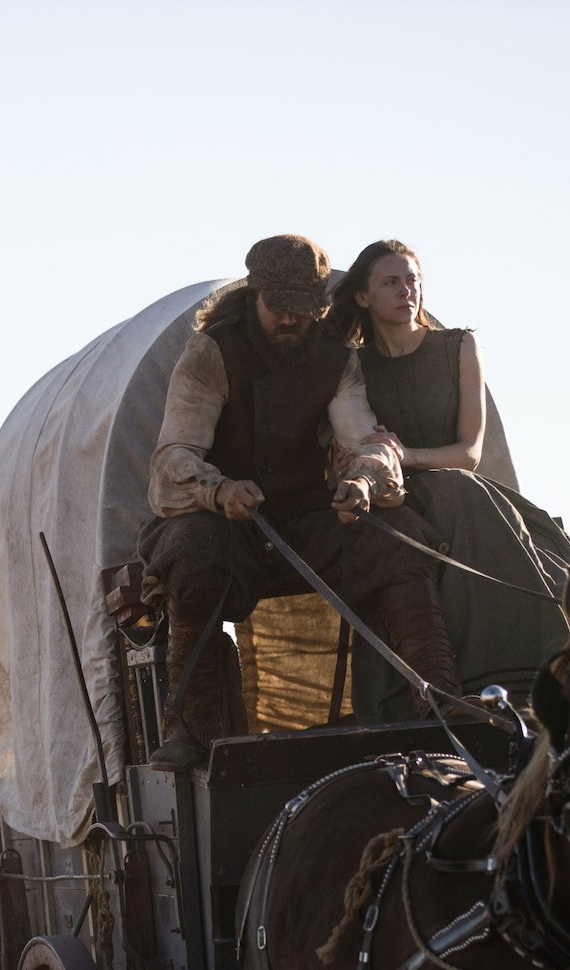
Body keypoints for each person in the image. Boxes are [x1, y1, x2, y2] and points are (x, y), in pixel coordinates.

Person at [138, 233, 458, 768]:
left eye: (303, 311)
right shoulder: (211, 352)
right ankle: (190, 729)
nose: (292, 321)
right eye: (280, 309)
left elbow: (363, 441)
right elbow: (174, 455)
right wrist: (219, 490)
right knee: (194, 550)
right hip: (223, 518)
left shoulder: (337, 360)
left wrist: (362, 482)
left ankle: (438, 701)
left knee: (396, 538)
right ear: (255, 295)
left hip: (306, 517)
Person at [327, 239, 570, 717]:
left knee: (467, 497)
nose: (408, 292)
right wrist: (385, 464)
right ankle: (424, 695)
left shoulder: (459, 346)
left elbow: (469, 453)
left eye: (413, 280)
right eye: (392, 282)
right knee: (391, 539)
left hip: (461, 486)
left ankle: (518, 677)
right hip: (394, 494)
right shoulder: (356, 368)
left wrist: (406, 454)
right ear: (363, 296)